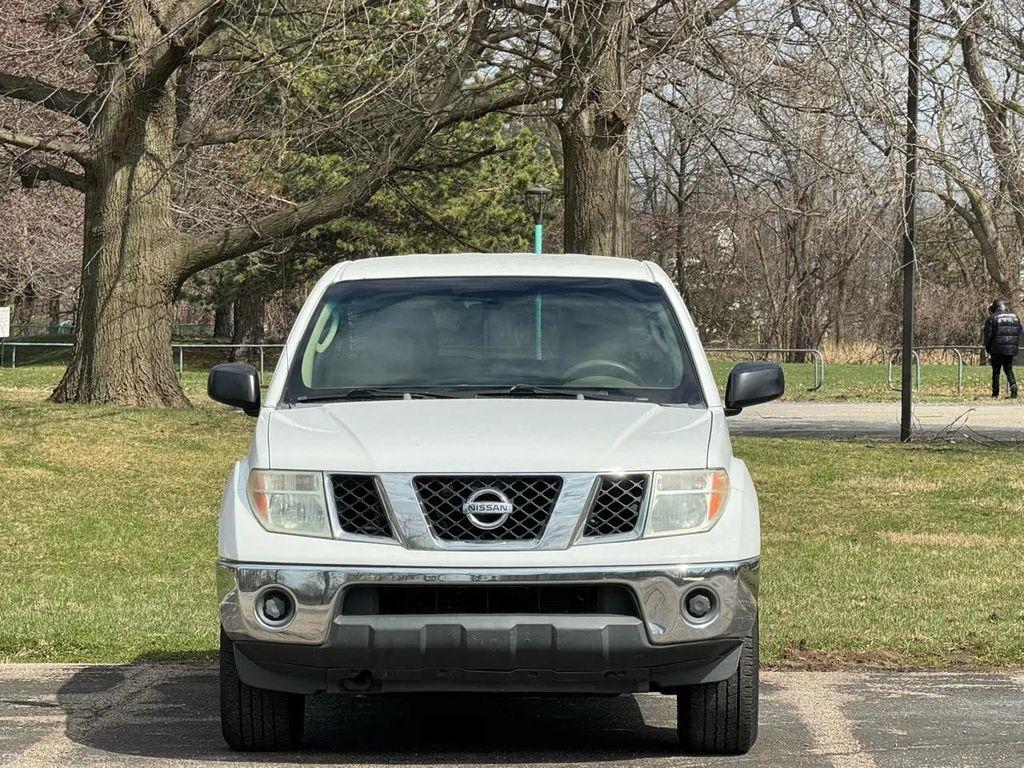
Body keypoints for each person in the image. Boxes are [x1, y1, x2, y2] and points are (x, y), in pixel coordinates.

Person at [984, 299, 1022, 398]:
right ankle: (1014, 389)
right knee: (1008, 369)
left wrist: (988, 348)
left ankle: (995, 393)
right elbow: (1019, 331)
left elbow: (988, 335)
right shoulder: (1014, 317)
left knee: (996, 371)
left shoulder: (992, 318)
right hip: (1010, 348)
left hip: (996, 348)